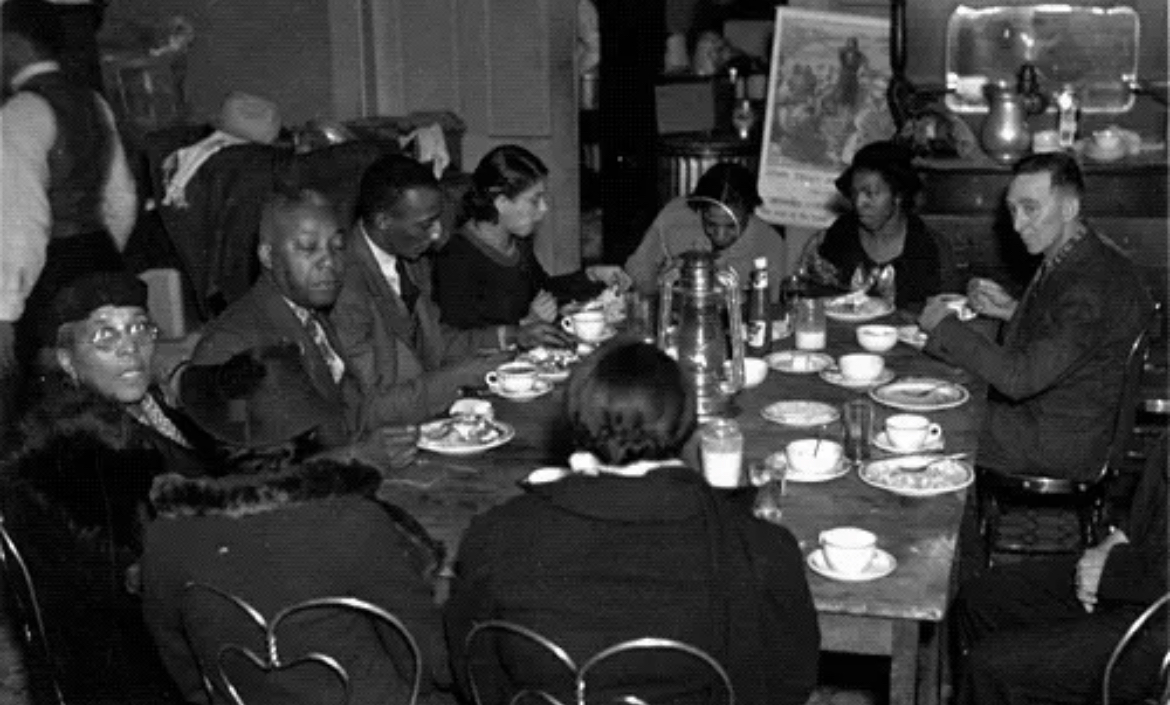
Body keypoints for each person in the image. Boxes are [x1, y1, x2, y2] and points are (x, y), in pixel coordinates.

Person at [444, 339, 820, 705]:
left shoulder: (496, 534)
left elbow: (475, 672)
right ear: (687, 425)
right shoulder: (761, 546)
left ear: (575, 424)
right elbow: (790, 685)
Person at [142, 343, 448, 705]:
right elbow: (424, 659)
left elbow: (184, 668)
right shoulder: (353, 520)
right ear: (308, 435)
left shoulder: (167, 533)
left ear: (213, 434)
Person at [0, 271, 217, 704]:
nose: (129, 347)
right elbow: (136, 585)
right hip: (148, 663)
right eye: (104, 335)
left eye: (139, 327)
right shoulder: (77, 451)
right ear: (66, 360)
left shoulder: (148, 406)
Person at [918, 152, 1153, 480]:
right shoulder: (1085, 254)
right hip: (1057, 418)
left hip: (1060, 442)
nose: (1017, 225)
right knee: (941, 398)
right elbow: (1074, 337)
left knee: (926, 419)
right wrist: (1013, 310)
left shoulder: (1091, 284)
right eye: (1013, 210)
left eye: (1030, 208)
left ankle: (957, 527)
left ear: (1069, 208)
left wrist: (944, 326)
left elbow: (1019, 378)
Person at [331, 154, 571, 427]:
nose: (437, 234)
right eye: (425, 224)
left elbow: (438, 343)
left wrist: (514, 335)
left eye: (438, 220)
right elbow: (372, 407)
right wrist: (463, 375)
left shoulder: (411, 260)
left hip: (428, 413)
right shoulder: (344, 285)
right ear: (383, 220)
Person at [952, 432, 1168, 704]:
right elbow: (1142, 518)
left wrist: (1110, 575)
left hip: (1161, 628)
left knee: (990, 668)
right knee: (981, 598)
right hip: (1141, 575)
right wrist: (1104, 551)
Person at [0, 0, 137, 424]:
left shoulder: (20, 114)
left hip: (48, 274)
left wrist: (5, 308)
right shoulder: (94, 103)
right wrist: (102, 260)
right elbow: (122, 201)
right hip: (100, 255)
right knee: (106, 383)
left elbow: (20, 221)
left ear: (14, 42)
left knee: (48, 398)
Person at [191, 188, 358, 444]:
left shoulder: (311, 313)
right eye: (308, 247)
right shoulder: (231, 345)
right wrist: (359, 456)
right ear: (268, 256)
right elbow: (241, 461)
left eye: (337, 247)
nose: (330, 262)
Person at [435, 144, 629, 329]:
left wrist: (593, 275)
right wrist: (525, 326)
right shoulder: (456, 259)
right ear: (501, 202)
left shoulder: (518, 242)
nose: (544, 208)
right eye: (535, 200)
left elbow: (543, 292)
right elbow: (459, 341)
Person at [800, 140, 956, 309]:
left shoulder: (930, 249)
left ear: (898, 195)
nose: (860, 203)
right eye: (855, 193)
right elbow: (810, 302)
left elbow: (945, 318)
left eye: (871, 193)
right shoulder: (835, 240)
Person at [623, 162, 787, 297]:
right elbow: (638, 266)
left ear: (749, 212)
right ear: (699, 209)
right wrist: (661, 283)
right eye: (710, 224)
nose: (720, 236)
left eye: (731, 226)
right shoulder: (675, 217)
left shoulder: (769, 243)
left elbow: (770, 306)